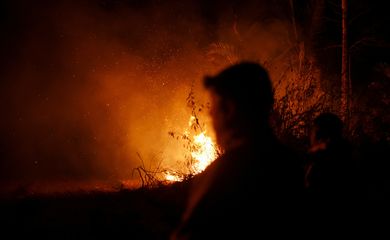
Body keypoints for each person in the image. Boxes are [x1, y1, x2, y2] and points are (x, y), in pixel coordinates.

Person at [171, 62, 303, 239]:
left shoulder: (224, 173)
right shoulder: (291, 163)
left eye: (214, 105)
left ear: (229, 109)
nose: (210, 114)